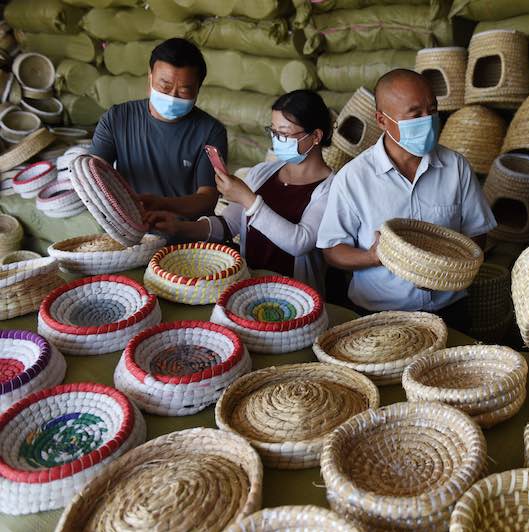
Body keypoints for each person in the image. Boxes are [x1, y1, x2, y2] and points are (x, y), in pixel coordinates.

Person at [316, 69, 496, 327]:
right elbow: (332, 250)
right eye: (415, 115)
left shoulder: (456, 167)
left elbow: (477, 232)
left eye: (432, 110)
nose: (428, 120)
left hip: (450, 311)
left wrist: (448, 267)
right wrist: (375, 256)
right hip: (380, 316)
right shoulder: (353, 178)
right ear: (382, 120)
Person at [145, 90, 334, 292]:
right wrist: (179, 228)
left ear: (315, 136)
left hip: (297, 296)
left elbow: (300, 242)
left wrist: (247, 198)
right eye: (273, 132)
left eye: (285, 134)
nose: (277, 140)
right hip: (248, 288)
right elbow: (229, 224)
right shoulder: (262, 173)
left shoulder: (331, 188)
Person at [90, 38, 226, 220]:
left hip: (185, 236)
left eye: (184, 91)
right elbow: (95, 172)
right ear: (150, 77)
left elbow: (207, 197)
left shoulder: (210, 131)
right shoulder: (117, 118)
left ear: (198, 89)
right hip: (131, 228)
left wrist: (162, 204)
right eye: (165, 86)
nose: (172, 97)